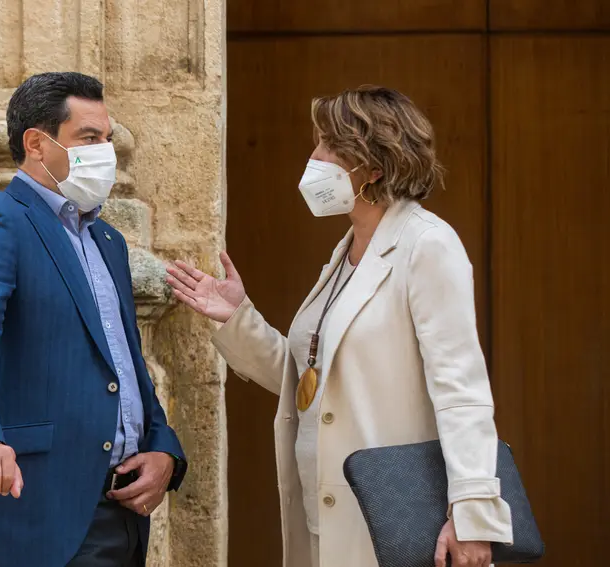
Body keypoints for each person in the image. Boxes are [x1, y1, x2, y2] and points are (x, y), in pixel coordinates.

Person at [166, 86, 512, 567]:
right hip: (325, 515)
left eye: (328, 144)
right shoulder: (347, 250)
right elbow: (315, 381)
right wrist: (237, 318)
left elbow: (462, 389)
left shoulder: (427, 244)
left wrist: (474, 516)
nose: (314, 157)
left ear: (373, 165)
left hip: (390, 519)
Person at [0, 71, 187, 567]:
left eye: (107, 139)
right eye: (89, 139)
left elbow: (123, 358)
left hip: (123, 507)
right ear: (37, 144)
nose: (105, 153)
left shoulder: (107, 241)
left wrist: (163, 448)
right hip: (44, 503)